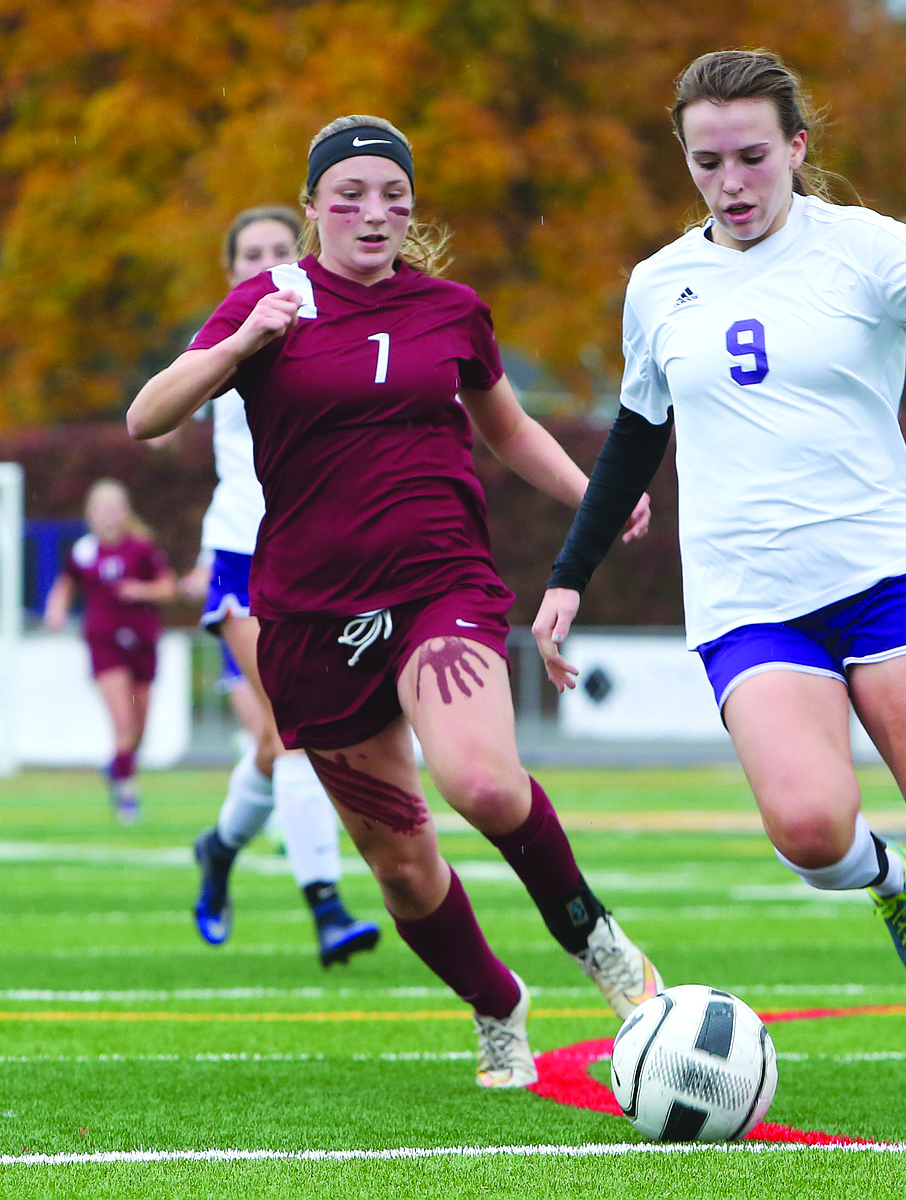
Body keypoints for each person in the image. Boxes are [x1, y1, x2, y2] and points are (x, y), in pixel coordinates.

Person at [532, 50, 906, 1129]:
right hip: (748, 594)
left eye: (753, 156)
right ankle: (888, 884)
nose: (733, 182)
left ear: (797, 148)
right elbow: (637, 436)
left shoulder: (860, 248)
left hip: (884, 574)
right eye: (709, 163)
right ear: (686, 162)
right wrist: (570, 575)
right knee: (806, 829)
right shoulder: (660, 285)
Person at [126, 115, 663, 1088]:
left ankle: (601, 945)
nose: (375, 212)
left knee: (486, 784)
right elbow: (146, 416)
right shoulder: (265, 304)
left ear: (412, 207)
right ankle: (498, 1003)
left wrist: (598, 495)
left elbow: (506, 429)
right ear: (312, 210)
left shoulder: (451, 309)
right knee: (405, 868)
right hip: (308, 621)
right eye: (351, 196)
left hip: (437, 589)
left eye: (393, 196)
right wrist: (246, 337)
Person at [178, 206, 380, 969]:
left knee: (274, 739)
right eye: (249, 255)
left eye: (277, 250)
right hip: (242, 553)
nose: (266, 263)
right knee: (292, 733)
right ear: (232, 273)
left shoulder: (336, 325)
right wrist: (242, 341)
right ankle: (326, 905)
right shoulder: (225, 339)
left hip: (326, 558)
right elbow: (169, 406)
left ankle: (221, 846)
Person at [43, 479, 176, 822]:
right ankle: (127, 796)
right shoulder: (84, 551)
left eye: (114, 508)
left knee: (140, 729)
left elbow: (167, 588)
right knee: (123, 721)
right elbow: (65, 584)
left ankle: (115, 768)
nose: (108, 515)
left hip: (143, 643)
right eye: (101, 508)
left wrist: (140, 591)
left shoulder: (142, 548)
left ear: (125, 512)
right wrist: (56, 608)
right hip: (105, 645)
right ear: (90, 514)